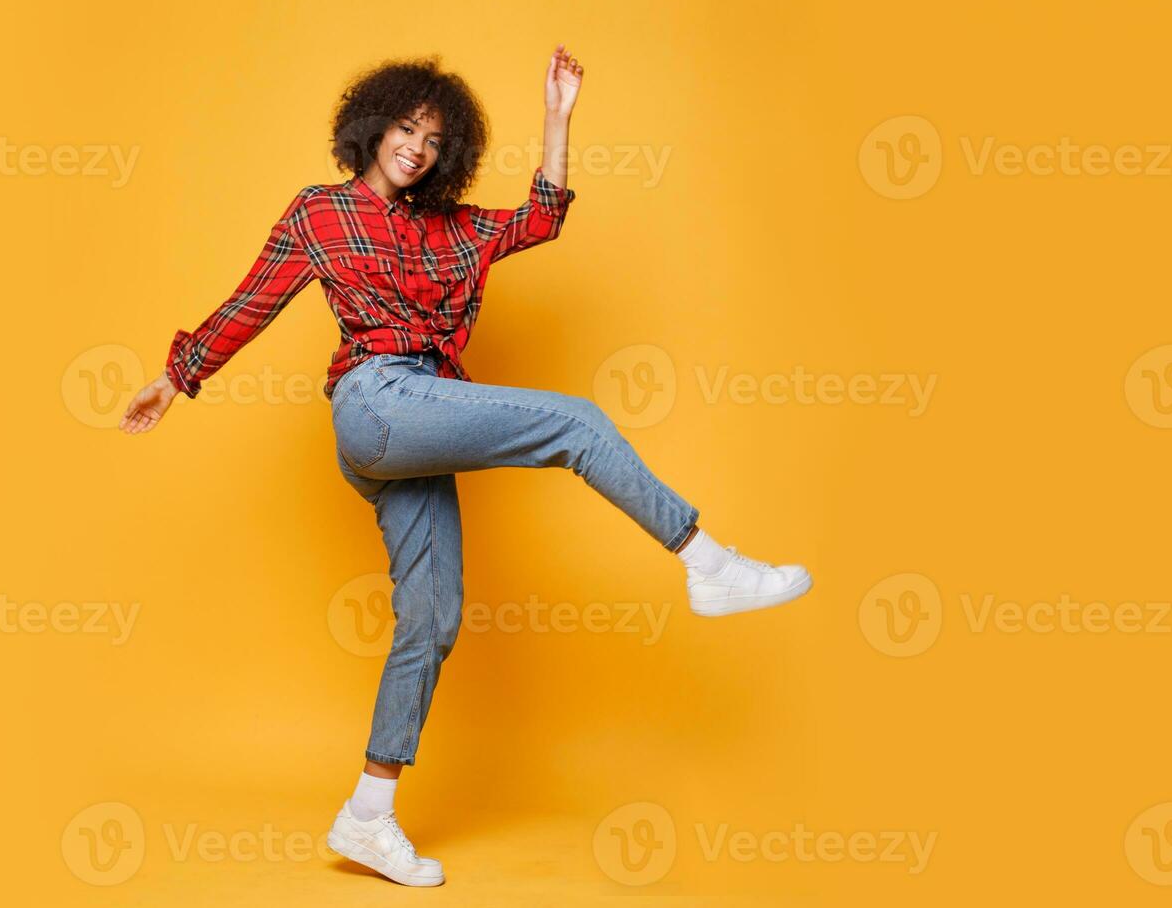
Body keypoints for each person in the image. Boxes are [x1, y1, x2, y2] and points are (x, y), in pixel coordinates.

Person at [119, 45, 812, 887]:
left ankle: (367, 816)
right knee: (578, 423)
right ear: (373, 127)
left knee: (434, 620)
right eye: (405, 127)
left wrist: (557, 117)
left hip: (423, 420)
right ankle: (708, 564)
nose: (415, 145)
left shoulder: (454, 230)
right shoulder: (321, 213)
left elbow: (541, 219)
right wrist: (174, 378)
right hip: (376, 404)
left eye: (433, 138)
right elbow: (250, 301)